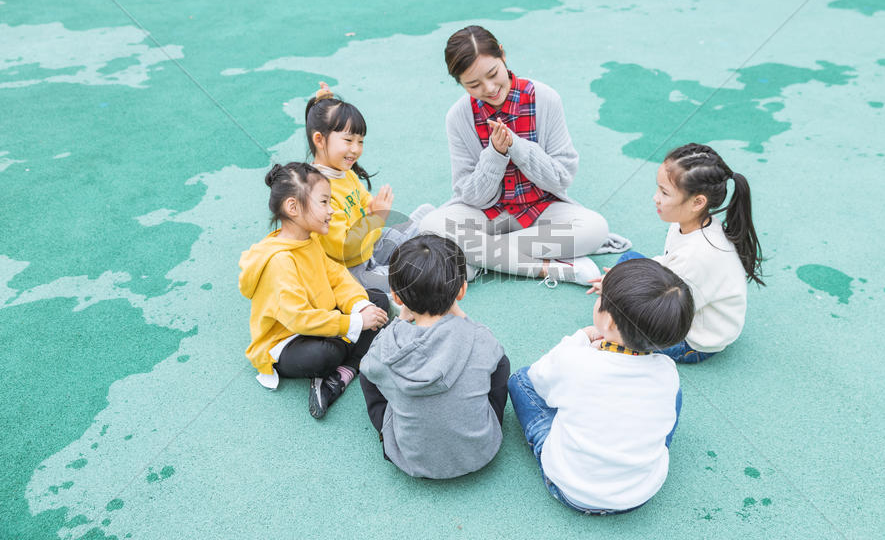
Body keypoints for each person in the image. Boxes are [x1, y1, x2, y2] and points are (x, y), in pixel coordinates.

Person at [418, 25, 630, 287]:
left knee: (595, 228)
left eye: (493, 74)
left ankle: (475, 257)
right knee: (431, 225)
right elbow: (470, 196)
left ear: (503, 56)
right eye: (473, 85)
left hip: (541, 209)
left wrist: (515, 148)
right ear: (460, 83)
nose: (489, 88)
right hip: (486, 214)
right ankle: (553, 268)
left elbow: (561, 178)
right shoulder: (458, 117)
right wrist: (495, 155)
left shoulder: (545, 98)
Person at [508, 258, 694, 514]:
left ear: (611, 323)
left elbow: (538, 377)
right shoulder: (667, 370)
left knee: (519, 380)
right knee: (673, 394)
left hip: (570, 489)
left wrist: (580, 338)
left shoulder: (576, 360)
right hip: (639, 493)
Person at [239, 162, 390, 419]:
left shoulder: (309, 240)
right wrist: (353, 323)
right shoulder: (280, 262)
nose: (331, 210)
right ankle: (343, 363)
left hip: (323, 319)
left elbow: (338, 278)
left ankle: (340, 376)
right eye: (324, 202)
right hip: (288, 341)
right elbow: (300, 319)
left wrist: (360, 307)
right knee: (322, 356)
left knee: (377, 302)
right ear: (293, 207)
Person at [589, 143, 764, 363]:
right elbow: (666, 265)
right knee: (628, 260)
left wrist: (616, 292)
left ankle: (610, 342)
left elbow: (667, 309)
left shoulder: (698, 257)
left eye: (664, 192)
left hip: (692, 340)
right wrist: (617, 279)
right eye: (658, 188)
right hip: (681, 290)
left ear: (697, 202)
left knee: (615, 335)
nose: (656, 197)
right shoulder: (688, 224)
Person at [359, 234, 510, 479]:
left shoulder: (388, 346)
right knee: (500, 364)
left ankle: (388, 431)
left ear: (396, 297)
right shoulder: (480, 337)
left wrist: (399, 319)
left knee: (369, 375)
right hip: (481, 452)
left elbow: (368, 367)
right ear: (462, 289)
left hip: (411, 460)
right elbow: (497, 358)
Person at [305, 82, 432, 295]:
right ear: (319, 139)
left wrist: (374, 210)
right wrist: (377, 218)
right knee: (406, 278)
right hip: (348, 270)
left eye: (360, 141)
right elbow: (345, 247)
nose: (355, 150)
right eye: (348, 140)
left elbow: (365, 204)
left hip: (368, 247)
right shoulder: (316, 191)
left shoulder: (344, 173)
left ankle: (419, 252)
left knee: (416, 235)